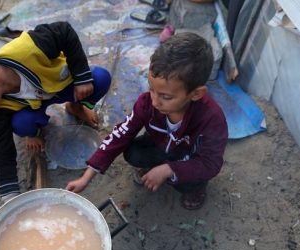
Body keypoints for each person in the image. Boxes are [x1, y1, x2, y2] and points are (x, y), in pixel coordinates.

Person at [0, 22, 111, 202]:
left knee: (100, 79)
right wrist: (10, 197)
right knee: (21, 124)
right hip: (33, 106)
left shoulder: (30, 48)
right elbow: (2, 150)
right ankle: (34, 132)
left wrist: (81, 77)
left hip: (59, 85)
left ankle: (75, 106)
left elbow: (64, 31)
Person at [66, 32, 228, 210]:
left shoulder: (212, 119)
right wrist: (86, 177)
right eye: (151, 89)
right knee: (132, 152)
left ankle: (194, 189)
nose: (155, 101)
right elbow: (121, 134)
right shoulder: (147, 103)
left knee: (187, 182)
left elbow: (211, 163)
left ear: (196, 94)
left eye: (165, 96)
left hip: (188, 156)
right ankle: (157, 167)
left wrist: (170, 169)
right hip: (161, 144)